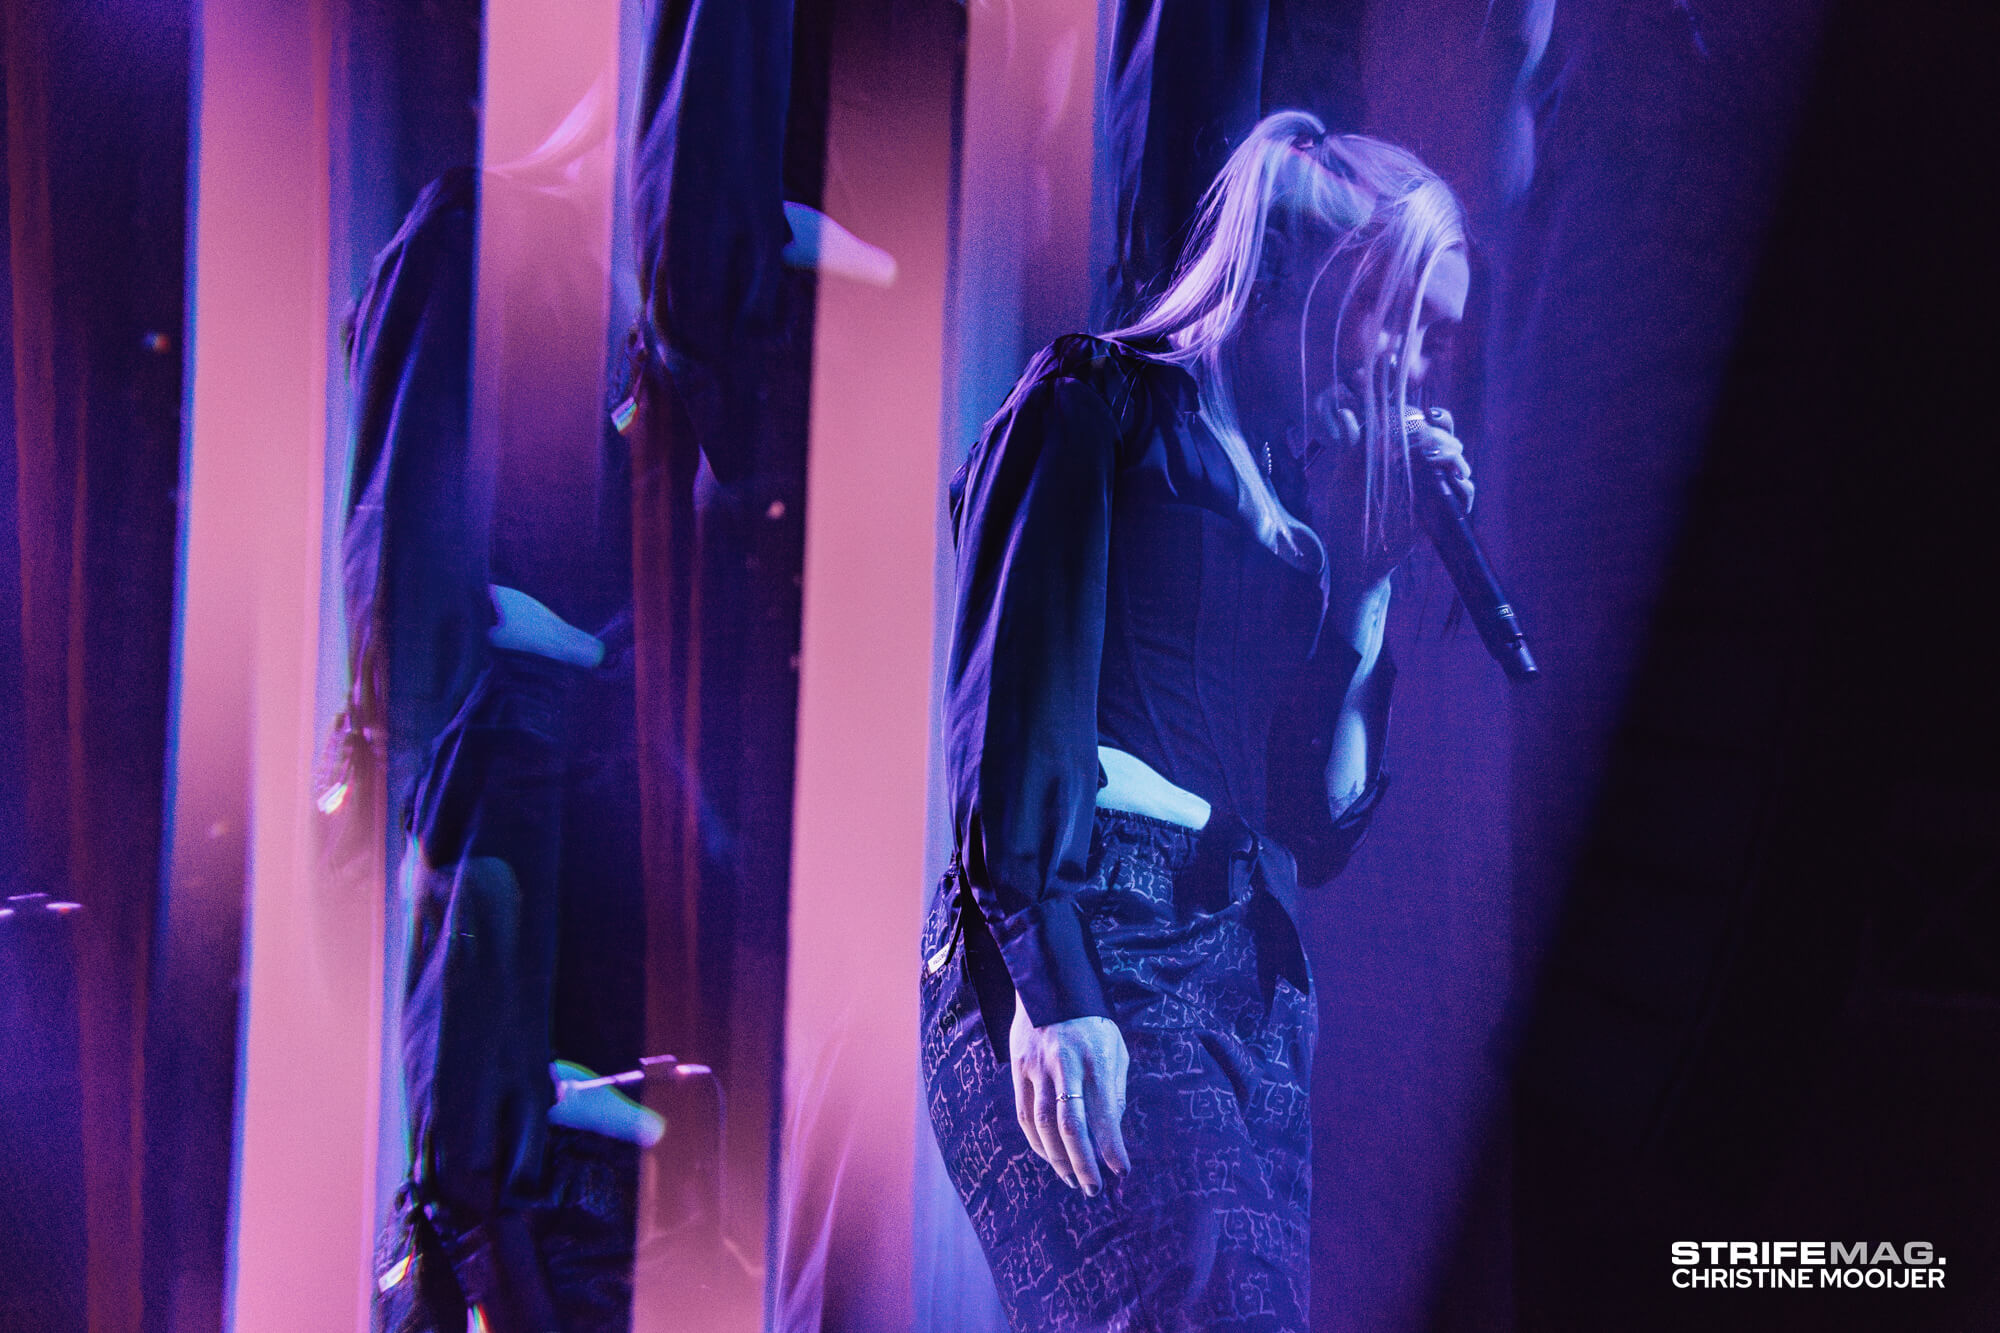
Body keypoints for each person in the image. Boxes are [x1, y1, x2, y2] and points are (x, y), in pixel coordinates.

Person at [923, 110, 1475, 1331]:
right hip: (1092, 929)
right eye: (1404, 321)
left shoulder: (1297, 527)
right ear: (1310, 280)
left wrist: (1370, 580)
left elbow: (1314, 827)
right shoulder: (1098, 400)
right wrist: (1053, 982)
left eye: (1440, 339)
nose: (1418, 367)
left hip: (1250, 975)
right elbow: (1012, 702)